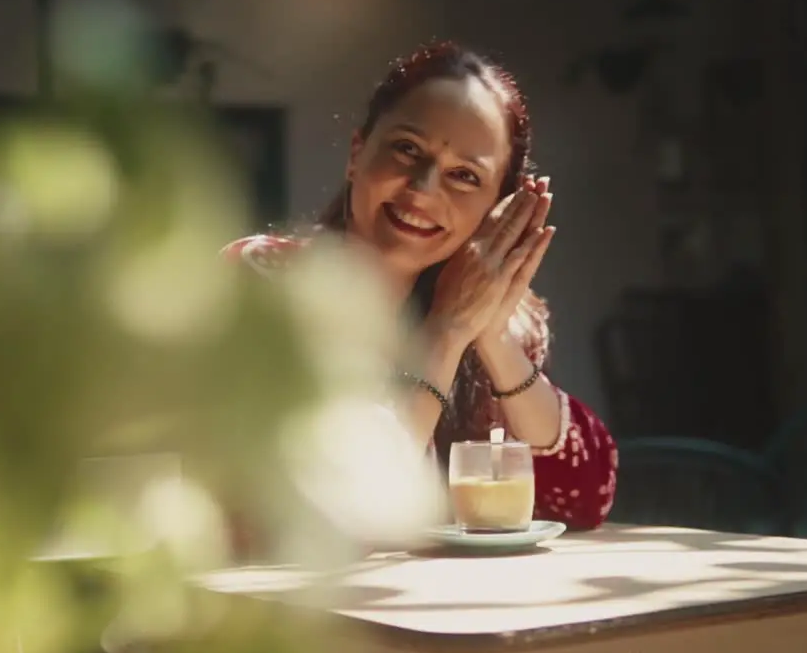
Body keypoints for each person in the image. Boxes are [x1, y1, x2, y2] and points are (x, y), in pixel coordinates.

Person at [223, 41, 617, 530]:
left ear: (498, 210)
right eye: (407, 149)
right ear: (356, 154)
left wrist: (490, 334)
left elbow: (582, 498)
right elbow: (335, 512)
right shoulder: (267, 281)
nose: (424, 189)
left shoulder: (506, 327)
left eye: (464, 176)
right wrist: (446, 332)